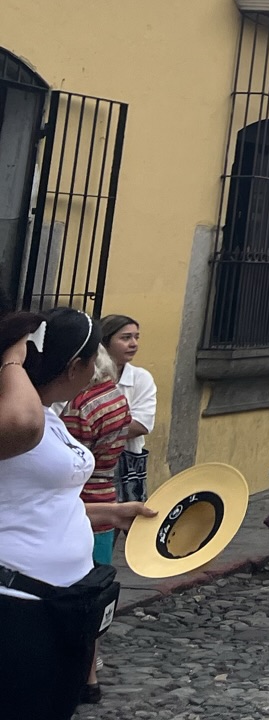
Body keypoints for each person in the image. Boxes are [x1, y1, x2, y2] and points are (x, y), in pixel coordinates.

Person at [0, 308, 157, 720]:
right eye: (92, 359)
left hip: (66, 599)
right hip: (18, 601)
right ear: (74, 366)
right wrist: (12, 359)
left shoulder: (50, 415)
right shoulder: (16, 419)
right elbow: (22, 425)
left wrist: (111, 512)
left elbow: (46, 501)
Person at [57, 342, 128, 703]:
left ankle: (79, 671)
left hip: (82, 497)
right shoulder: (116, 397)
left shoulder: (80, 408)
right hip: (106, 492)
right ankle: (91, 673)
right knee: (96, 589)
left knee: (74, 589)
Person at [100, 315, 155, 504]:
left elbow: (141, 425)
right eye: (125, 338)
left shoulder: (141, 378)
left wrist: (93, 431)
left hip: (127, 463)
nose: (133, 344)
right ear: (105, 342)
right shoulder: (87, 376)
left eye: (136, 337)